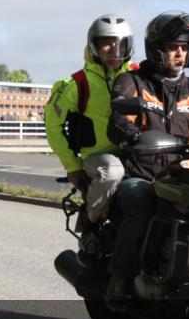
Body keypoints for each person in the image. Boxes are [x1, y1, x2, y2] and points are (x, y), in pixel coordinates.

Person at [105, 11, 189, 311]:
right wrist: (134, 136)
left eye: (185, 47)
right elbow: (120, 120)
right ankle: (119, 279)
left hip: (179, 176)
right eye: (174, 46)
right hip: (140, 174)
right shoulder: (133, 82)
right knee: (143, 203)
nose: (180, 53)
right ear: (157, 49)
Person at [45, 14, 137, 255]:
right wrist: (72, 166)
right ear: (93, 45)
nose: (113, 49)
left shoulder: (139, 76)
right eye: (106, 42)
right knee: (112, 171)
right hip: (98, 158)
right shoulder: (77, 83)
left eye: (120, 43)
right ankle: (91, 219)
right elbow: (52, 125)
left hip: (137, 153)